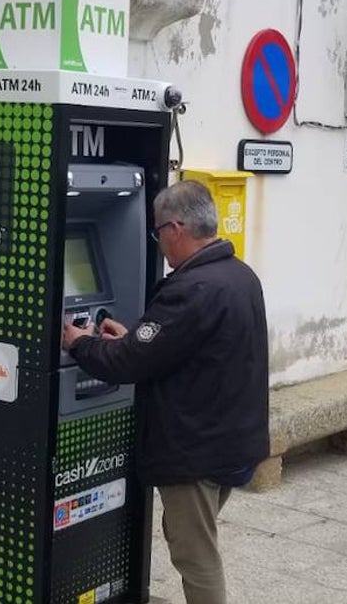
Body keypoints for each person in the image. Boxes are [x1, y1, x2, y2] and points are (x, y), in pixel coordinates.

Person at [61, 180, 270, 604]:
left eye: (158, 234)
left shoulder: (191, 289)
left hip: (195, 450)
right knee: (186, 534)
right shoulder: (238, 275)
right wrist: (132, 338)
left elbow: (129, 363)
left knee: (196, 556)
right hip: (232, 440)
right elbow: (180, 348)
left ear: (176, 229)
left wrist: (79, 342)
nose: (158, 245)